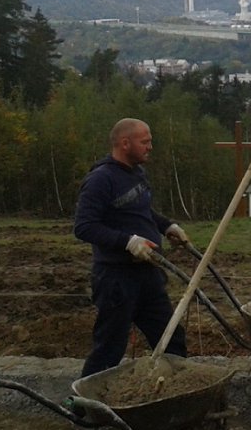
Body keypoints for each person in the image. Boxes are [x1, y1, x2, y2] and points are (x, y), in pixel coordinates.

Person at [74, 118, 190, 378]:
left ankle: (175, 391)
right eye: (144, 142)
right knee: (110, 348)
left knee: (171, 339)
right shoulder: (101, 179)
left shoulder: (137, 174)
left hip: (147, 274)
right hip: (116, 279)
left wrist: (166, 226)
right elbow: (84, 226)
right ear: (125, 143)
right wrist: (127, 241)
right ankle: (86, 400)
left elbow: (141, 212)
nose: (150, 147)